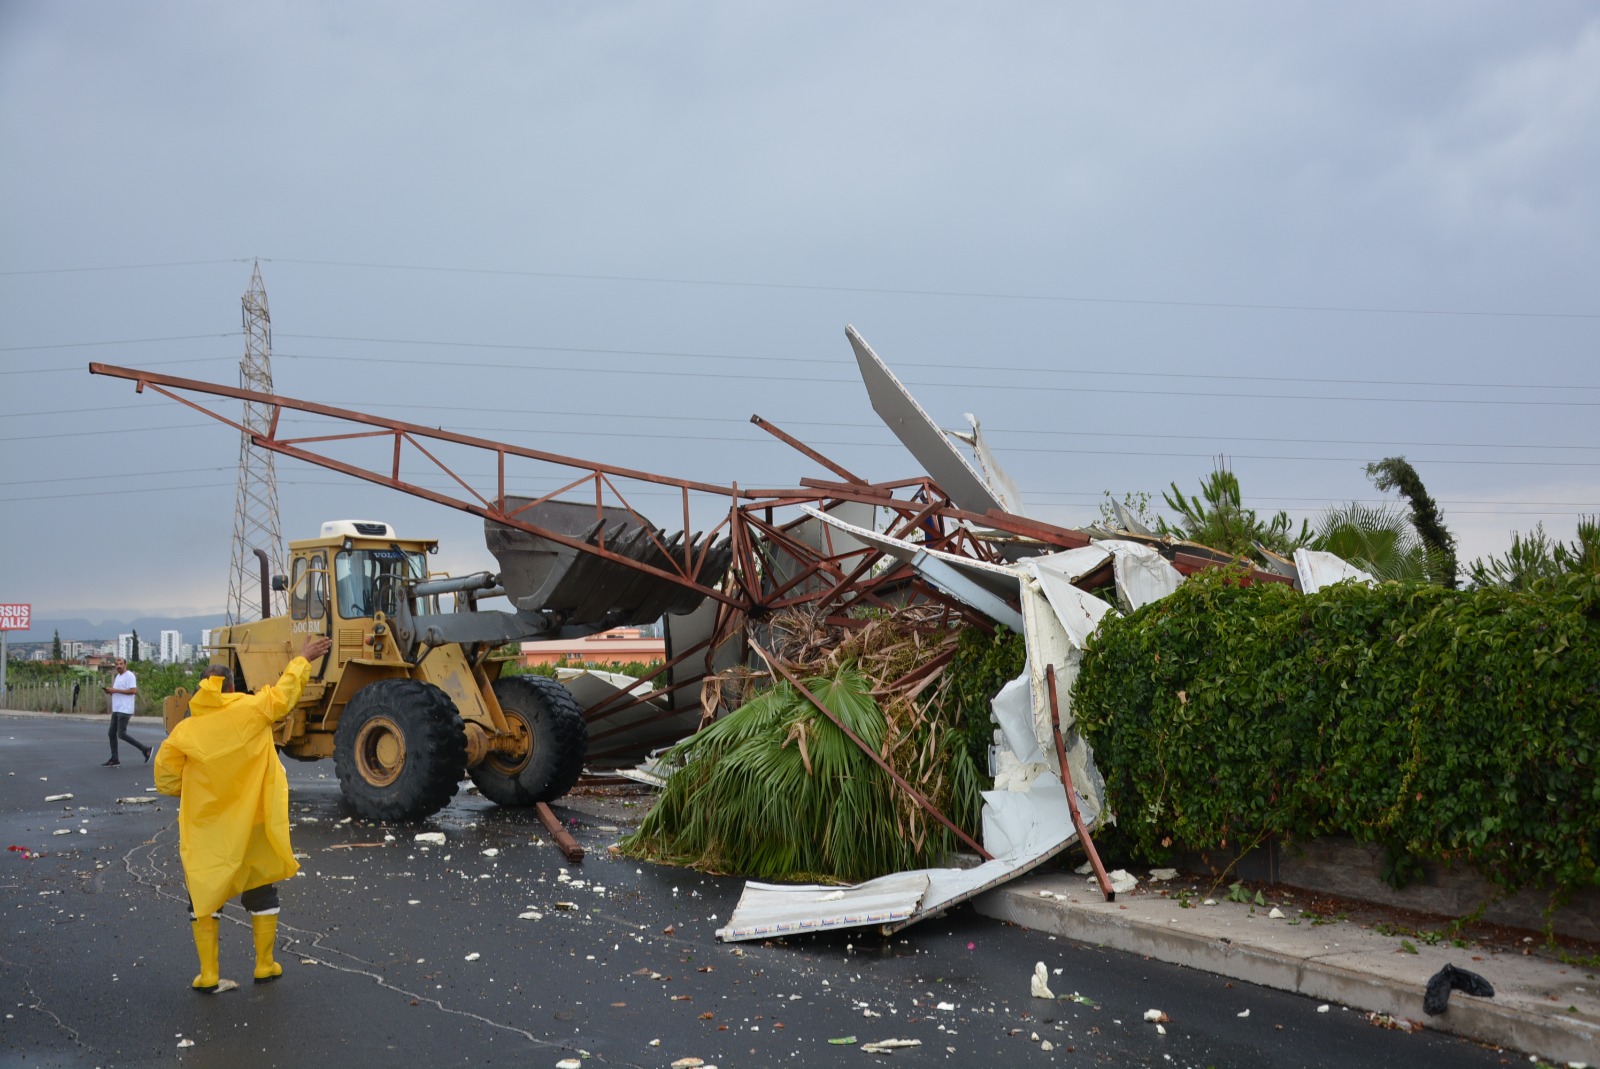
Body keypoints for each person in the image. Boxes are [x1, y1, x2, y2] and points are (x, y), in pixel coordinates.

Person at [154, 635, 332, 991]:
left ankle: (209, 974)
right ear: (233, 686)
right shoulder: (251, 710)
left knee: (205, 893)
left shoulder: (185, 730)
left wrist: (196, 791)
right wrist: (302, 659)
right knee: (260, 888)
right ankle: (265, 964)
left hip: (207, 827)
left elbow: (166, 777)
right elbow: (284, 695)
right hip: (252, 820)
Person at [102, 657, 149, 766]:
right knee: (111, 733)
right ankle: (114, 758)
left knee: (121, 734)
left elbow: (133, 691)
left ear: (125, 664)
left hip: (125, 709)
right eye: (117, 664)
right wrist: (111, 692)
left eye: (121, 664)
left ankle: (145, 749)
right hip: (117, 709)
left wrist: (116, 690)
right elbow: (118, 691)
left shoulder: (130, 676)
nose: (119, 666)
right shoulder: (118, 677)